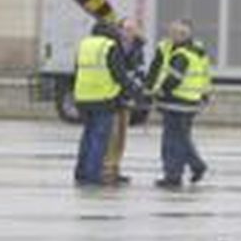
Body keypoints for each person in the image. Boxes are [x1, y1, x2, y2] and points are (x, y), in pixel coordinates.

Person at [147, 19, 212, 188]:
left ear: (185, 35)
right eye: (172, 32)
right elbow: (205, 76)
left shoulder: (182, 54)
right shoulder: (197, 52)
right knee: (182, 138)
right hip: (190, 101)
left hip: (176, 101)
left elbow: (174, 79)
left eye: (177, 33)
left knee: (172, 141)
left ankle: (177, 174)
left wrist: (159, 91)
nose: (173, 36)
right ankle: (183, 170)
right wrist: (205, 95)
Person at [72, 18, 134, 186]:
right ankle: (93, 175)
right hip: (103, 99)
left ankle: (81, 172)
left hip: (83, 98)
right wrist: (132, 91)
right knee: (100, 139)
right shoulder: (109, 47)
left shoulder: (84, 45)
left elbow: (76, 70)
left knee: (87, 136)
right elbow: (118, 74)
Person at [101, 18, 148, 185]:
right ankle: (106, 169)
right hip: (113, 95)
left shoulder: (138, 47)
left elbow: (140, 70)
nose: (130, 33)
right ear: (119, 30)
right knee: (111, 135)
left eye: (133, 29)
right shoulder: (113, 46)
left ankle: (115, 168)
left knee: (122, 135)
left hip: (128, 96)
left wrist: (140, 90)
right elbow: (116, 72)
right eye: (127, 29)